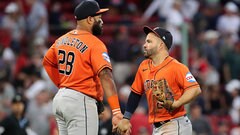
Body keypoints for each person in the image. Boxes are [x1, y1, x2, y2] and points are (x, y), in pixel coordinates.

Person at [42, 0, 122, 135]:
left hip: (61, 99)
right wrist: (116, 111)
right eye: (99, 18)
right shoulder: (95, 43)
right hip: (80, 101)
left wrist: (63, 84)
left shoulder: (61, 40)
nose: (102, 22)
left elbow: (47, 62)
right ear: (90, 19)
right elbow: (105, 75)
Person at [116, 26, 202, 135]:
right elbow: (135, 93)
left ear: (161, 45)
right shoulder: (144, 65)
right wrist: (126, 118)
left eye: (149, 42)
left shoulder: (176, 67)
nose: (144, 45)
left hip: (175, 124)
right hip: (157, 127)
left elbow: (195, 89)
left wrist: (177, 103)